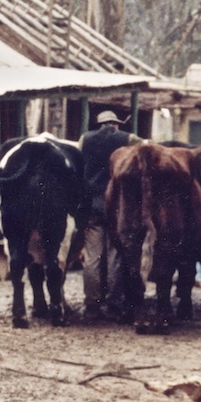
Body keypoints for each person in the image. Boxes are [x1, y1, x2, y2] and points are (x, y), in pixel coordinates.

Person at [79, 109, 141, 320]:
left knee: (92, 257)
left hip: (92, 206)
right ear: (115, 124)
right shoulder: (127, 139)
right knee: (115, 256)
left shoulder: (85, 139)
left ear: (99, 124)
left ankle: (92, 306)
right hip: (116, 205)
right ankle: (114, 305)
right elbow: (148, 147)